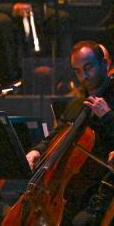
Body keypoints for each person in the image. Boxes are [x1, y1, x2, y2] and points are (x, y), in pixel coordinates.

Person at [23, 40, 114, 224]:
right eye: (78, 71)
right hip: (75, 190)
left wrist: (108, 116)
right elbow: (56, 135)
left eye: (88, 68)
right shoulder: (76, 103)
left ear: (104, 64)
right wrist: (37, 151)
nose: (84, 76)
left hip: (104, 188)